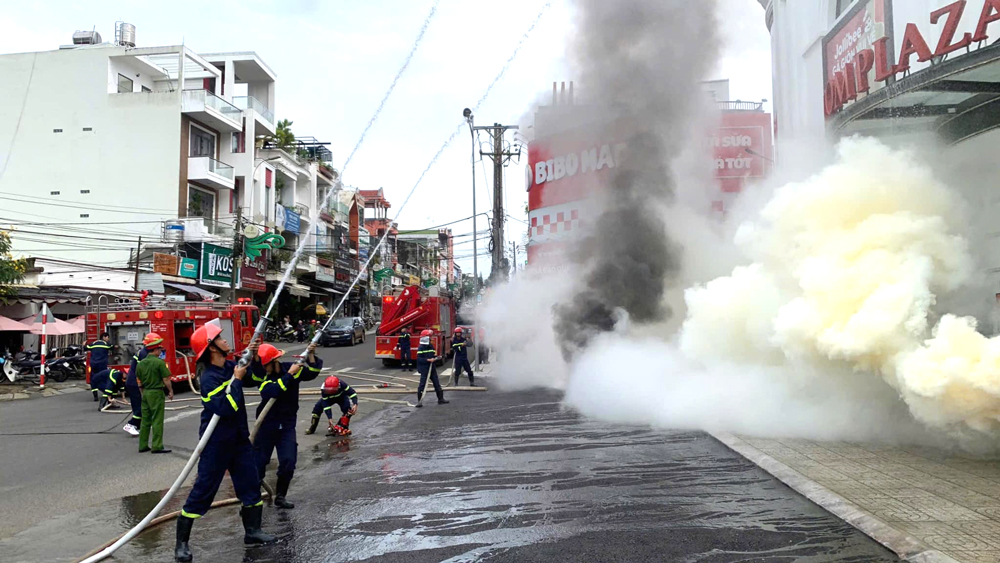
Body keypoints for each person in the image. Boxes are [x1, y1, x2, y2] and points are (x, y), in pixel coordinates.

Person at [174, 321, 275, 562]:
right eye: (220, 338)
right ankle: (181, 544)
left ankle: (252, 532)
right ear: (212, 348)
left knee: (250, 485)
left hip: (239, 440)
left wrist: (255, 359)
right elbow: (225, 407)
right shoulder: (208, 378)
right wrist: (237, 380)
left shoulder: (231, 365)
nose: (226, 340)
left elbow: (257, 380)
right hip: (216, 443)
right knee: (203, 491)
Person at [252, 342, 322, 509]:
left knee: (289, 461)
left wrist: (311, 354)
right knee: (258, 464)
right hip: (266, 425)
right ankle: (251, 503)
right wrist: (290, 375)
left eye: (266, 365)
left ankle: (281, 496)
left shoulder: (290, 368)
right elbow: (272, 392)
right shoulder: (263, 375)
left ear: (274, 361)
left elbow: (312, 372)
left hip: (287, 424)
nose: (264, 368)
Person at [136, 333, 173, 454]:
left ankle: (143, 445)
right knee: (157, 419)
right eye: (160, 349)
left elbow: (139, 382)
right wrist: (170, 391)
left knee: (145, 420)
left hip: (146, 393)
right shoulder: (159, 363)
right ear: (156, 350)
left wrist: (143, 393)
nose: (160, 352)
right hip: (156, 393)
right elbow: (166, 379)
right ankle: (157, 446)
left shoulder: (140, 364)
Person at [415, 329, 448, 408]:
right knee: (422, 384)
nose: (431, 338)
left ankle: (441, 399)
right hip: (424, 368)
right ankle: (419, 401)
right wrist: (427, 360)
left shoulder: (430, 345)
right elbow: (419, 359)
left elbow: (432, 355)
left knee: (436, 382)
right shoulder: (421, 347)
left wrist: (436, 358)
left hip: (431, 367)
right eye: (430, 337)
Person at [122, 343, 149, 437]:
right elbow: (143, 371)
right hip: (134, 383)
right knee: (139, 406)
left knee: (139, 405)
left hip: (132, 382)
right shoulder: (144, 354)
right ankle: (131, 424)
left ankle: (137, 425)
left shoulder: (143, 352)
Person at [86, 332, 112, 401]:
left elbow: (86, 347)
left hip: (93, 364)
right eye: (108, 337)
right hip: (102, 364)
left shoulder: (94, 343)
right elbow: (111, 347)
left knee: (93, 379)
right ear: (104, 337)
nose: (108, 339)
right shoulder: (106, 344)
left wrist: (83, 345)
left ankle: (95, 396)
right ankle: (106, 394)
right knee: (103, 378)